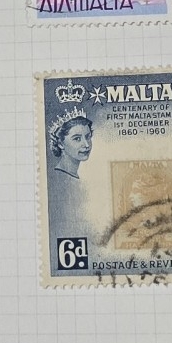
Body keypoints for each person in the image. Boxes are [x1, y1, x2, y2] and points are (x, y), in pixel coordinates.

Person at [46, 110, 95, 257]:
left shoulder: (74, 177)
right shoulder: (60, 180)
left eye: (88, 137)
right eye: (77, 139)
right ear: (61, 143)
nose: (86, 144)